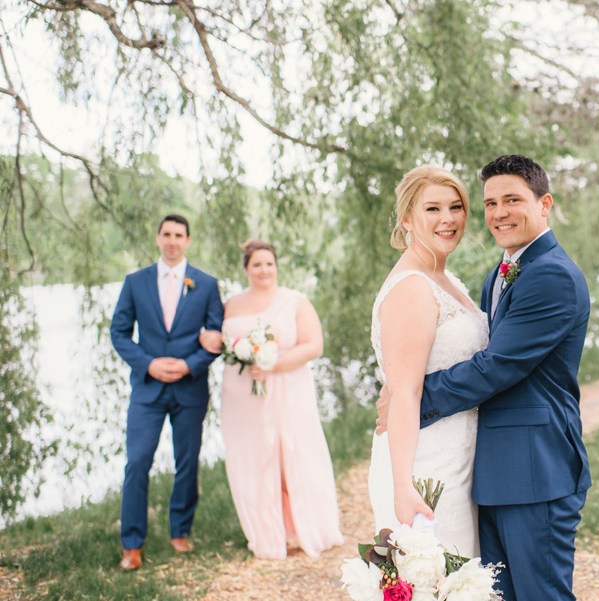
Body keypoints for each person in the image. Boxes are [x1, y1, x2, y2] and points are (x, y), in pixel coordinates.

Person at [378, 155, 592, 601]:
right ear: (407, 219)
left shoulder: (550, 274)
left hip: (535, 468)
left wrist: (411, 394)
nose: (498, 213)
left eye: (512, 200)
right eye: (490, 202)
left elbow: (499, 364)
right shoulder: (500, 272)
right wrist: (403, 389)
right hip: (484, 467)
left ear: (544, 203)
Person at [368, 166, 487, 558]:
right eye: (432, 209)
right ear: (406, 219)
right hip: (427, 468)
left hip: (460, 456)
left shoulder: (443, 277)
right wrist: (404, 488)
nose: (448, 218)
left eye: (456, 207)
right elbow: (404, 392)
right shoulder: (412, 287)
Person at [200, 240, 344, 559]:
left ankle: (305, 527)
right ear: (246, 269)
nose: (264, 270)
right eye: (257, 265)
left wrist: (272, 364)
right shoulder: (231, 304)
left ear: (276, 266)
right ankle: (266, 532)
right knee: (252, 458)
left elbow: (313, 346)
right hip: (241, 395)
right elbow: (218, 338)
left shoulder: (294, 301)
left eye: (269, 264)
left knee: (295, 453)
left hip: (288, 388)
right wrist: (207, 337)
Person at [110, 214, 224, 570]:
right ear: (158, 238)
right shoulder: (135, 281)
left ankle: (180, 531)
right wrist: (148, 364)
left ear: (188, 240)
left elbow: (216, 335)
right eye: (167, 234)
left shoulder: (205, 284)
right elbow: (119, 332)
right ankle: (132, 544)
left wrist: (190, 364)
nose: (172, 240)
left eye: (179, 235)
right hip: (148, 390)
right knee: (138, 461)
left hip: (190, 389)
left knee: (187, 463)